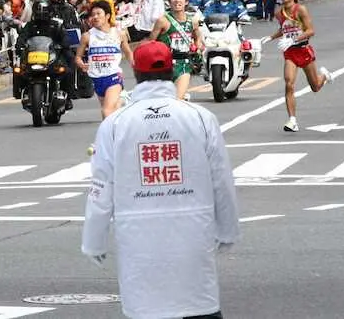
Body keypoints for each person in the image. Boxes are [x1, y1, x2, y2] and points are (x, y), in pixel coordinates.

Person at [82, 40, 240, 319]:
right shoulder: (200, 118)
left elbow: (101, 188)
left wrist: (94, 241)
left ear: (135, 70)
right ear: (171, 69)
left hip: (139, 237)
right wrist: (227, 230)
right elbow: (222, 180)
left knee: (147, 305)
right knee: (197, 302)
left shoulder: (116, 124)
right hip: (192, 232)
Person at [263, 0, 334, 132]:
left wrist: (294, 39)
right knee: (289, 83)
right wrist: (270, 37)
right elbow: (284, 29)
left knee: (315, 86)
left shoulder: (300, 10)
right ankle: (292, 120)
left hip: (303, 50)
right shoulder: (279, 13)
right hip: (290, 53)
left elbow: (310, 31)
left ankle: (324, 77)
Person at [75, 1, 132, 119]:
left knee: (106, 111)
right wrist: (81, 64)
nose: (95, 17)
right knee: (113, 109)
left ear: (107, 16)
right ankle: (122, 99)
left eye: (98, 14)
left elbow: (128, 53)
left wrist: (136, 67)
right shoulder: (87, 36)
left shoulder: (119, 34)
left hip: (113, 76)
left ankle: (109, 136)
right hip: (97, 78)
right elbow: (78, 57)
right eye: (93, 15)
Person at [16, 0, 73, 109]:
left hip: (52, 55)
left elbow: (64, 38)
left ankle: (68, 97)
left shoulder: (57, 24)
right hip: (34, 56)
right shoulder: (30, 26)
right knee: (19, 71)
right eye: (38, 11)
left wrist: (63, 45)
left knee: (68, 69)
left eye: (44, 11)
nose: (41, 13)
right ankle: (23, 92)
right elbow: (22, 38)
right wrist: (19, 46)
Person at [149, 0, 203, 100]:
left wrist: (197, 48)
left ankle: (181, 99)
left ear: (186, 1)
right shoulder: (162, 21)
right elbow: (151, 42)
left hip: (183, 64)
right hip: (164, 65)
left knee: (176, 100)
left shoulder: (192, 21)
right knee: (163, 101)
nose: (177, 0)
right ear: (169, 1)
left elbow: (198, 37)